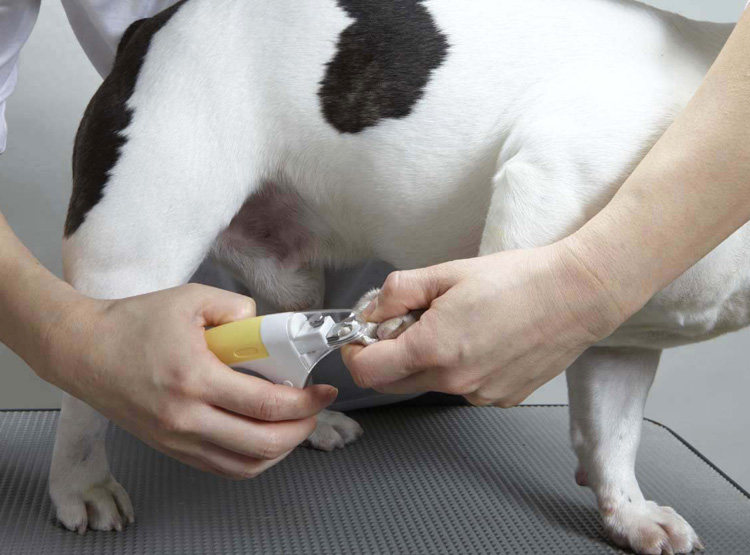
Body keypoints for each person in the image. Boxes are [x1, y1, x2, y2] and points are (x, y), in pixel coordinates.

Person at [2, 0, 750, 480]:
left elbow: (618, 316)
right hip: (206, 80)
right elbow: (552, 171)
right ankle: (77, 466)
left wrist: (584, 299)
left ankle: (611, 477)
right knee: (116, 303)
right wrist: (73, 337)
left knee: (296, 383)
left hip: (397, 328)